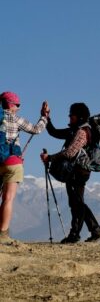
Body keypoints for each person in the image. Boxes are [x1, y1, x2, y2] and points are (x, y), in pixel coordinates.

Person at [40, 102, 100, 244]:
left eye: (72, 115)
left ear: (79, 117)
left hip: (79, 172)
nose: (69, 117)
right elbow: (54, 132)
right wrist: (46, 117)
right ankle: (95, 230)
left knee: (77, 203)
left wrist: (50, 158)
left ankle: (74, 235)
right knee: (76, 202)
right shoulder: (74, 130)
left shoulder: (82, 132)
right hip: (76, 171)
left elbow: (70, 152)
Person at [0, 91, 49, 245]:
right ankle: (3, 234)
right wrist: (44, 117)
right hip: (12, 163)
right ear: (11, 105)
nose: (18, 108)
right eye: (18, 105)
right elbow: (36, 129)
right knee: (8, 198)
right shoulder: (15, 118)